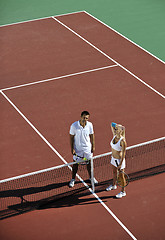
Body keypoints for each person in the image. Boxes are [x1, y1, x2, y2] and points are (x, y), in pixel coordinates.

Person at [69, 111, 98, 187]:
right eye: (84, 117)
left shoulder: (90, 125)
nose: (85, 119)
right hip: (78, 149)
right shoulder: (74, 126)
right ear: (80, 116)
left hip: (87, 148)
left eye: (86, 118)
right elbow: (71, 137)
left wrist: (93, 146)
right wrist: (72, 148)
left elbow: (92, 135)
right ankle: (73, 179)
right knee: (75, 165)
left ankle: (91, 178)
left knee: (89, 164)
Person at [106, 122, 127, 198]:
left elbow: (124, 154)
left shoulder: (123, 141)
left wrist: (120, 164)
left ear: (120, 131)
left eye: (117, 129)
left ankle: (123, 191)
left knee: (121, 176)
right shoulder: (114, 136)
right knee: (114, 172)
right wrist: (118, 126)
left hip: (119, 161)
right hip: (113, 158)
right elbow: (111, 124)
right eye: (115, 129)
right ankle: (113, 185)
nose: (115, 130)